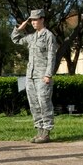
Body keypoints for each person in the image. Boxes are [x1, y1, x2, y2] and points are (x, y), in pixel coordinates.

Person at [11, 9, 58, 143]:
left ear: (42, 19)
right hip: (30, 76)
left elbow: (51, 57)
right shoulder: (32, 37)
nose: (33, 22)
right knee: (34, 104)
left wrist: (48, 74)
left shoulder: (48, 36)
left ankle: (46, 132)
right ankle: (39, 131)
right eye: (31, 20)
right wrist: (20, 28)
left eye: (35, 19)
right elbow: (15, 40)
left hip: (43, 76)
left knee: (44, 103)